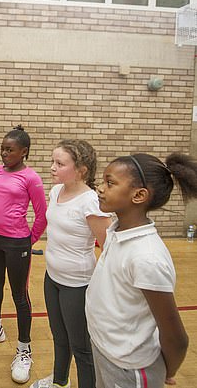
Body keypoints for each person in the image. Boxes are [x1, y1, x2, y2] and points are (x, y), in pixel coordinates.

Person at [85, 153, 194, 388]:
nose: (100, 189)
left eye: (110, 183)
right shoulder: (117, 230)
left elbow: (177, 338)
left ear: (139, 195)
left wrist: (166, 370)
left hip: (131, 368)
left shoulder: (147, 258)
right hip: (106, 351)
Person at [0, 125, 47, 383]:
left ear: (23, 152)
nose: (3, 153)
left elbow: (42, 215)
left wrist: (28, 241)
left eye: (9, 149)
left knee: (19, 295)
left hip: (17, 243)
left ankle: (24, 350)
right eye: (2, 148)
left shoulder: (32, 178)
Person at [30, 140, 111, 388]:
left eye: (60, 163)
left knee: (81, 347)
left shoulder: (91, 202)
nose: (52, 168)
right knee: (59, 337)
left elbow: (109, 248)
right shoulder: (56, 191)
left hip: (77, 284)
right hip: (52, 277)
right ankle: (59, 381)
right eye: (52, 161)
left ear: (81, 170)